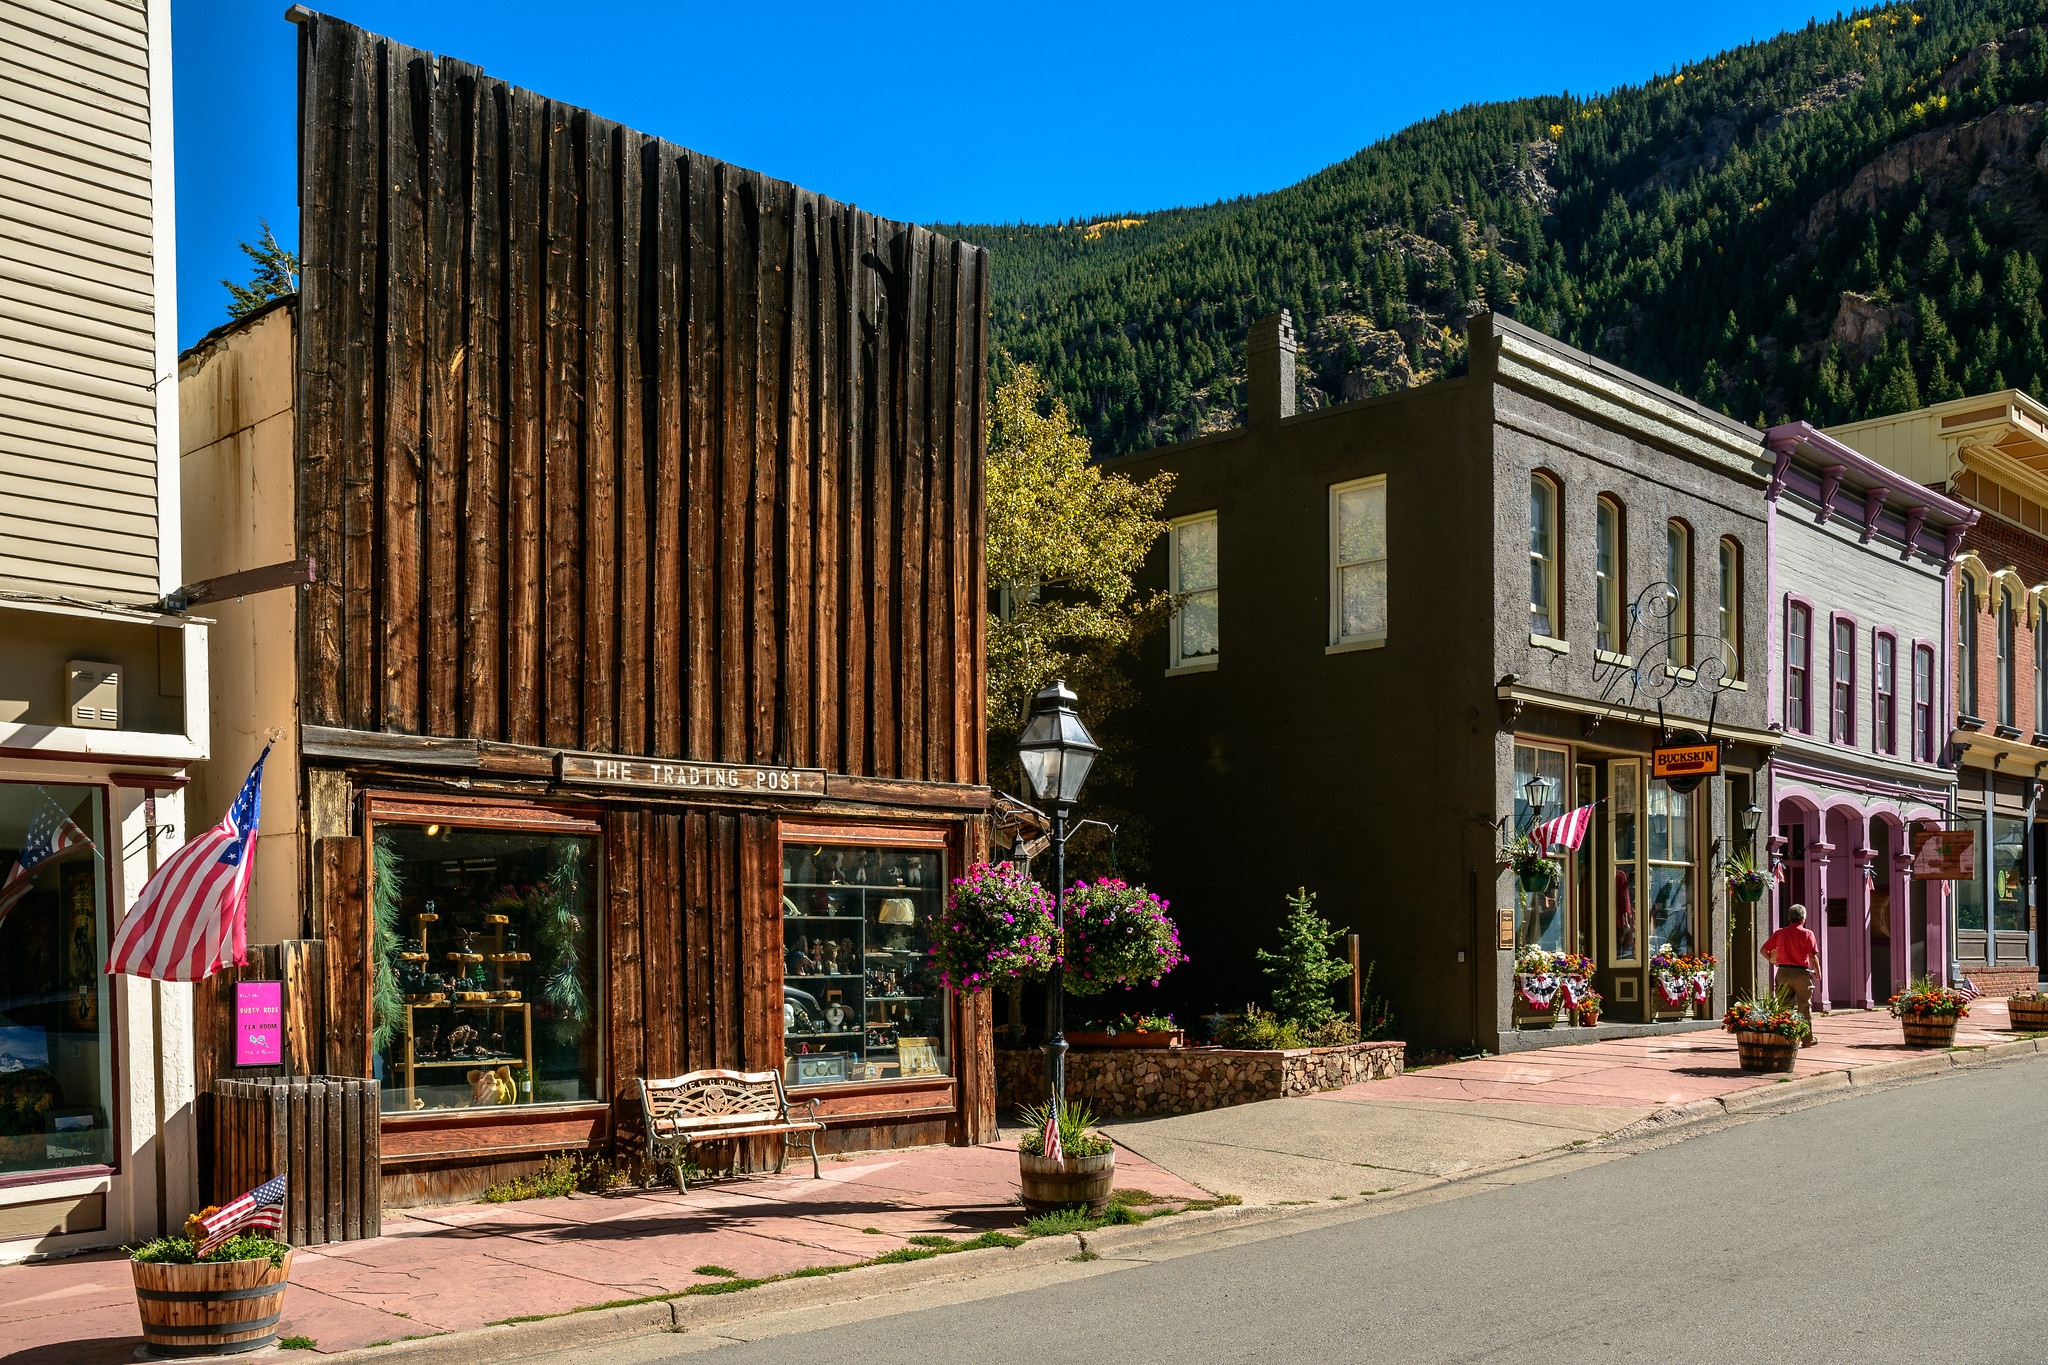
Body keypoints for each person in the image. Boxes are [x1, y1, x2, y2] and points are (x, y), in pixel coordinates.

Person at [1761, 904, 1823, 1044]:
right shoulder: (1807, 933)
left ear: (1789, 918)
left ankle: (1785, 1038)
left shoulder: (1780, 933)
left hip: (1782, 972)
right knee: (1804, 1007)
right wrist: (1818, 972)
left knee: (1784, 1006)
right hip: (1801, 973)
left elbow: (1764, 950)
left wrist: (1773, 959)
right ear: (1803, 919)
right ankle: (1807, 1039)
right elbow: (1812, 956)